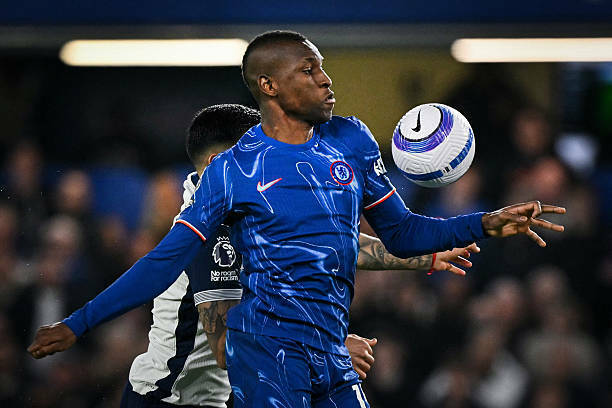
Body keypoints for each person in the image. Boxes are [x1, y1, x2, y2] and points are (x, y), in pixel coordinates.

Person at [30, 29, 565, 406]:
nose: (326, 80)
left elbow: (401, 233)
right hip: (263, 356)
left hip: (330, 349)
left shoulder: (351, 140)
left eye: (323, 67)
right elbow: (164, 261)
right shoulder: (234, 172)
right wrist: (78, 323)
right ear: (269, 86)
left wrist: (485, 222)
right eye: (309, 71)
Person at [28, 104, 479, 407]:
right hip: (174, 398)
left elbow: (329, 243)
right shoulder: (212, 233)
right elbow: (225, 347)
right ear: (217, 164)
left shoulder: (247, 206)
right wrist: (331, 348)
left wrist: (421, 257)